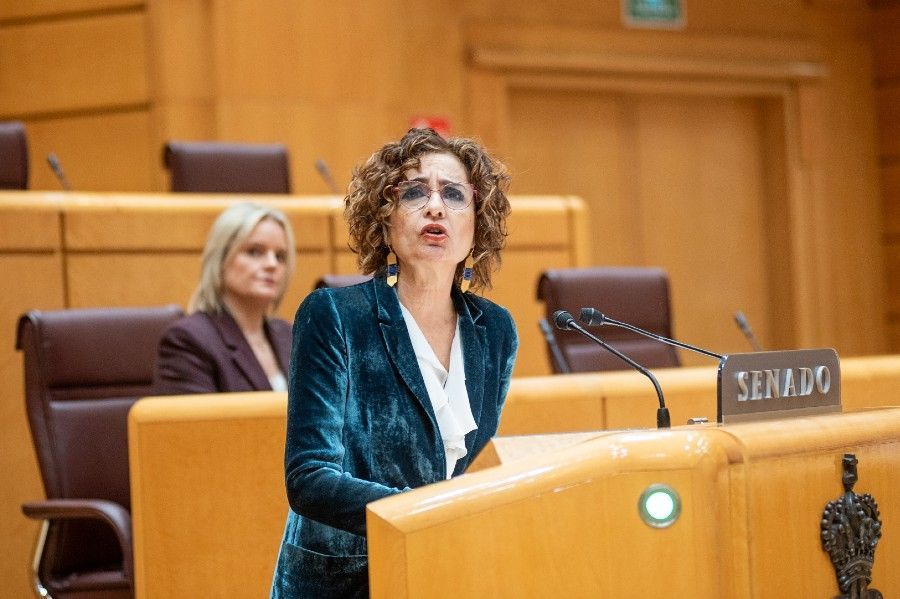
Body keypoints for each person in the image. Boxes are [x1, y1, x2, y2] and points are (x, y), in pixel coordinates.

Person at [270, 128, 518, 598]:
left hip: (439, 573)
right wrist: (428, 511)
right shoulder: (335, 316)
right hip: (344, 581)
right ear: (385, 221)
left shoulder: (495, 330)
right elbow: (309, 479)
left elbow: (474, 467)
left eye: (454, 194)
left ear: (477, 224)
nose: (436, 206)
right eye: (414, 192)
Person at [152, 202, 295, 394]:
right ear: (220, 260)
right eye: (255, 252)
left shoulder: (292, 336)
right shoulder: (189, 341)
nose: (272, 264)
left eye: (280, 256)